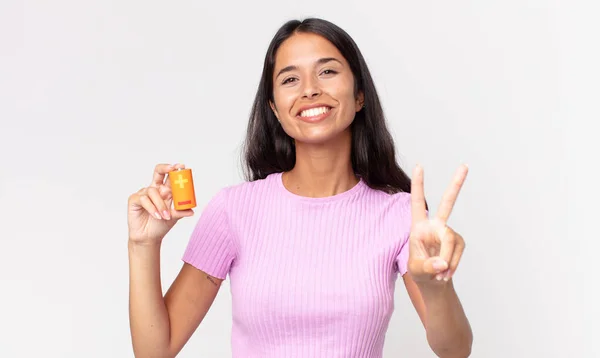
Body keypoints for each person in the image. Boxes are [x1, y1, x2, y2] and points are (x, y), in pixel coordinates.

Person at [127, 18, 473, 358]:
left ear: (359, 95)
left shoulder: (399, 215)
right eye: (290, 78)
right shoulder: (233, 210)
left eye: (327, 71)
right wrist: (144, 244)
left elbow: (455, 350)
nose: (309, 89)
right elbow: (155, 350)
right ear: (275, 108)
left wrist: (435, 288)